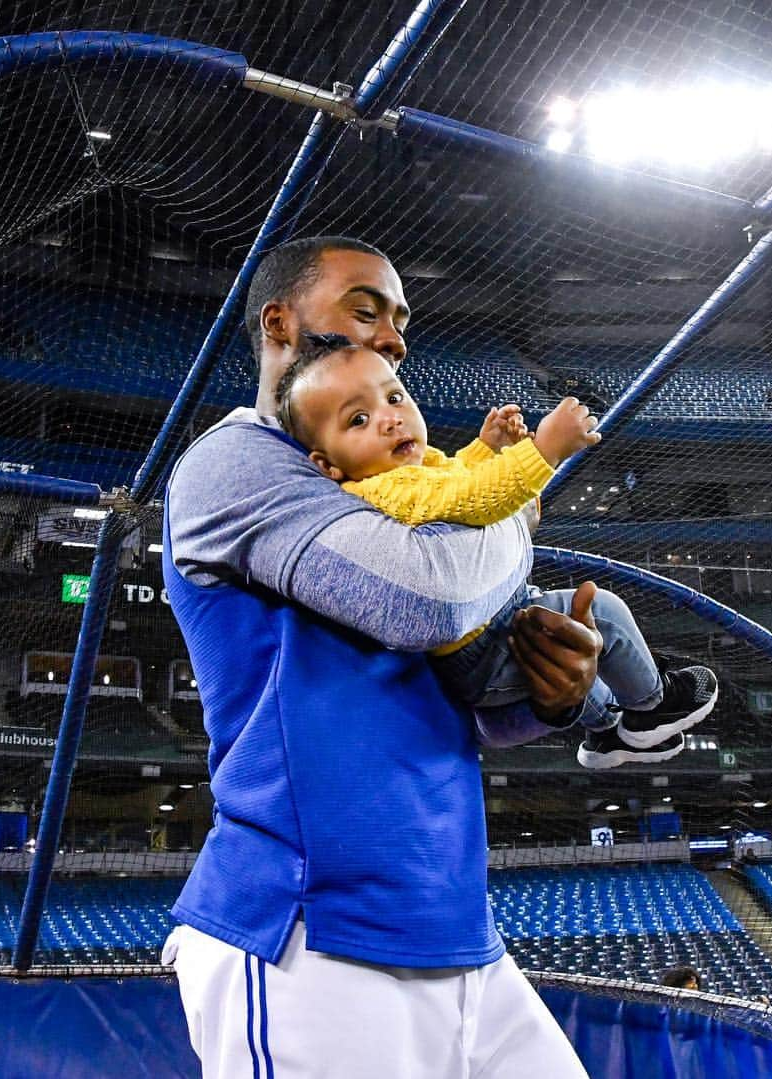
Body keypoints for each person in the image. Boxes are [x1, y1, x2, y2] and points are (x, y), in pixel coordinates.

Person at [160, 235, 607, 1078]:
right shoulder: (237, 463)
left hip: (452, 924)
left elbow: (457, 696)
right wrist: (521, 492)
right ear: (281, 324)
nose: (394, 336)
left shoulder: (400, 473)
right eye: (366, 310)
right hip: (306, 937)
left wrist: (550, 695)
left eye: (400, 324)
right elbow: (427, 598)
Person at [273, 332, 718, 767]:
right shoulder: (380, 487)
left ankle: (609, 732)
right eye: (358, 420)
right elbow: (469, 499)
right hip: (485, 644)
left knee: (582, 654)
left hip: (490, 626)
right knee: (604, 610)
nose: (390, 418)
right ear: (327, 465)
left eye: (394, 398)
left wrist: (484, 449)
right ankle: (653, 705)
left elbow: (454, 477)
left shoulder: (411, 467)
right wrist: (545, 450)